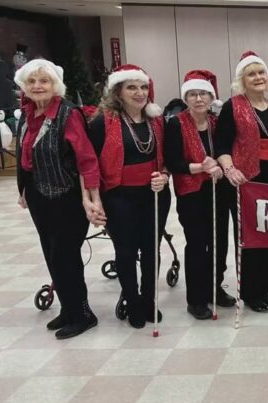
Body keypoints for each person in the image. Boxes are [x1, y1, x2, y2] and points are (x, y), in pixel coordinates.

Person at [14, 59, 102, 339]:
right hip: (40, 197)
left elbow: (86, 159)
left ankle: (83, 314)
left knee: (65, 256)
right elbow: (26, 158)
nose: (37, 86)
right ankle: (69, 308)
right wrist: (24, 191)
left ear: (56, 85)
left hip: (66, 197)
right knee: (51, 254)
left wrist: (92, 198)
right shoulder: (26, 115)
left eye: (44, 81)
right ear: (24, 86)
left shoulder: (68, 114)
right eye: (32, 81)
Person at [90, 64, 170, 329]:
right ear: (118, 91)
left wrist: (165, 174)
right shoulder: (104, 120)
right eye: (132, 87)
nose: (139, 92)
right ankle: (132, 301)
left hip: (154, 195)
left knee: (151, 251)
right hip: (119, 196)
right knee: (125, 251)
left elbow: (168, 157)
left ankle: (149, 300)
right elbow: (89, 162)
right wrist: (94, 199)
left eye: (143, 87)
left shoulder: (156, 120)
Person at [215, 51, 268, 313]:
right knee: (247, 238)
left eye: (261, 73)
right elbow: (221, 145)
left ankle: (263, 287)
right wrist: (229, 168)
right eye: (251, 74)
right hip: (243, 181)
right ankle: (249, 291)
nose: (258, 77)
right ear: (242, 80)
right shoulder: (233, 106)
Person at [165, 69, 235, 319]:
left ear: (211, 97)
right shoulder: (176, 123)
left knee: (219, 241)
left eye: (203, 94)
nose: (198, 99)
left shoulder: (216, 122)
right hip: (191, 192)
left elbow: (226, 149)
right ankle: (195, 299)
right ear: (186, 98)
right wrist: (199, 167)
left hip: (218, 190)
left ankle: (214, 288)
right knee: (197, 243)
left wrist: (219, 166)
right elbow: (173, 161)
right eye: (192, 94)